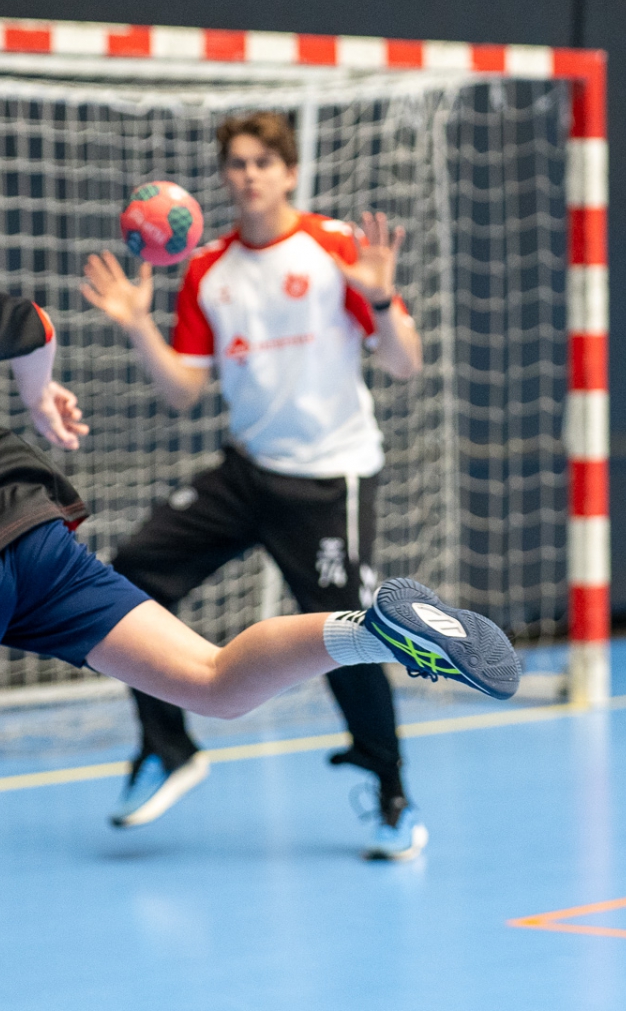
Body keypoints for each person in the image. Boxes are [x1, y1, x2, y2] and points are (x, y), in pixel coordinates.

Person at [0, 130, 519, 1011]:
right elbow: (33, 327)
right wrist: (39, 396)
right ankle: (369, 630)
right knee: (213, 679)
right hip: (29, 530)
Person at [79, 110, 432, 857]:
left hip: (329, 477)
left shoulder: (335, 247)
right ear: (223, 177)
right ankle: (168, 748)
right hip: (247, 474)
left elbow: (406, 363)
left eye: (263, 162)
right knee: (133, 572)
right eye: (236, 163)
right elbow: (183, 391)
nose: (249, 175)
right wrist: (139, 325)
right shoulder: (208, 270)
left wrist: (378, 299)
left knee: (345, 632)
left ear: (290, 172)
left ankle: (391, 792)